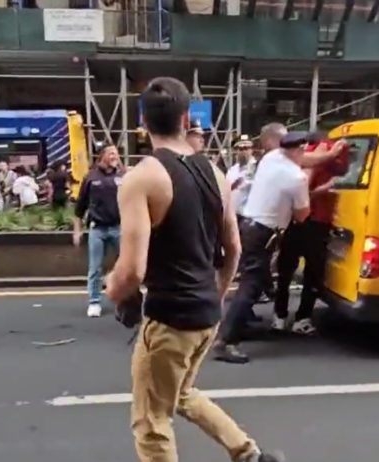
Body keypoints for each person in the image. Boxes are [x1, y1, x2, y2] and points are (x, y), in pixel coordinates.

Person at [105, 76, 282, 462]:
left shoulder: (142, 178)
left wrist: (112, 290)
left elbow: (131, 270)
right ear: (187, 119)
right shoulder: (215, 174)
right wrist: (215, 298)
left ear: (143, 122)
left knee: (151, 423)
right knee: (182, 394)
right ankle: (249, 454)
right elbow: (233, 248)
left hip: (169, 320)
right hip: (205, 314)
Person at [213, 131, 313, 364]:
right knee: (251, 284)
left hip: (250, 226)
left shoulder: (271, 159)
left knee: (257, 280)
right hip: (263, 233)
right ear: (299, 150)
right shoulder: (297, 178)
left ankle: (240, 325)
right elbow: (302, 215)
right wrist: (307, 179)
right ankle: (227, 341)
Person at [273, 134, 348, 334]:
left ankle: (279, 316)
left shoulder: (293, 158)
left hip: (295, 220)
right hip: (315, 220)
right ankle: (301, 319)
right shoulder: (325, 152)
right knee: (312, 271)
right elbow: (339, 173)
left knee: (286, 269)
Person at [73, 141, 123, 318]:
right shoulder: (91, 177)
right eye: (111, 153)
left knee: (125, 266)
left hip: (119, 228)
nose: (115, 156)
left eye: (116, 153)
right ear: (101, 156)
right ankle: (94, 301)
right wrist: (77, 231)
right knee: (95, 268)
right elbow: (79, 207)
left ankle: (123, 300)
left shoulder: (122, 175)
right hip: (97, 229)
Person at [225, 135, 256, 222]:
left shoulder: (255, 168)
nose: (243, 152)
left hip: (248, 217)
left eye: (246, 148)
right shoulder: (232, 170)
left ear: (251, 150)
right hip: (233, 215)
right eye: (240, 149)